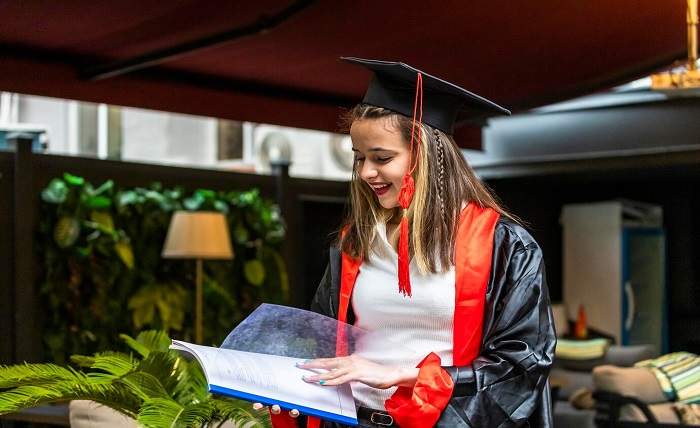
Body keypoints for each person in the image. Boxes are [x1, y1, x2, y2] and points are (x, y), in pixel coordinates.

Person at [269, 57, 556, 428]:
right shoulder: (355, 243)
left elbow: (522, 363)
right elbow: (325, 343)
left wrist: (400, 374)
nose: (366, 172)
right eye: (359, 158)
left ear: (425, 154)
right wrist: (281, 386)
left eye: (382, 157)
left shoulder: (505, 246)